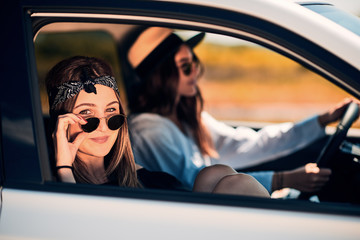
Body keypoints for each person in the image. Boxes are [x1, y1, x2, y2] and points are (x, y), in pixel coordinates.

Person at [126, 27, 357, 195]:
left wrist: (322, 120)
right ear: (161, 77)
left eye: (194, 62)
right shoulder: (149, 130)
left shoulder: (187, 117)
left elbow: (250, 143)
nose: (195, 71)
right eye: (186, 66)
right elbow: (193, 183)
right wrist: (283, 180)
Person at [46, 55, 269, 197]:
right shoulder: (46, 187)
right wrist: (64, 168)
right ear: (62, 122)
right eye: (87, 114)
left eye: (112, 113)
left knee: (214, 174)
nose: (104, 126)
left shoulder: (143, 178)